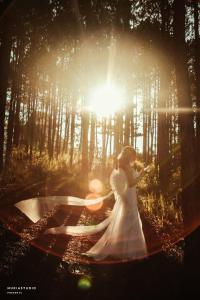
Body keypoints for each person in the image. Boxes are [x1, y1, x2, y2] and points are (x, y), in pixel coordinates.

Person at [14, 146, 148, 261]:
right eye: (133, 155)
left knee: (124, 222)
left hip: (126, 198)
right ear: (130, 156)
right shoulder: (126, 167)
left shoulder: (120, 167)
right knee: (129, 222)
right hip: (128, 199)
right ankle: (127, 252)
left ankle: (122, 250)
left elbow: (123, 184)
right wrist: (142, 174)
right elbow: (131, 183)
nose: (134, 158)